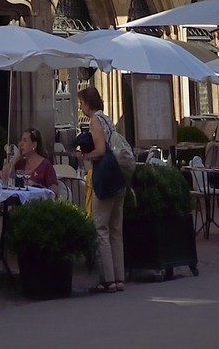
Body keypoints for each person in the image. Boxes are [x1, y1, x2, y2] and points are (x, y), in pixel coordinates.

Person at [74, 83, 128, 293]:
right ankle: (119, 277)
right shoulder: (107, 119)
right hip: (118, 178)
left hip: (105, 178)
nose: (80, 107)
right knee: (115, 230)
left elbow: (100, 150)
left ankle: (108, 279)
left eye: (81, 103)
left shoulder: (95, 120)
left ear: (88, 103)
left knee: (101, 228)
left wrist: (85, 156)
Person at [1, 127, 59, 193]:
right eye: (20, 140)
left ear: (34, 145)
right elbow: (4, 177)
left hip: (36, 199)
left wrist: (38, 187)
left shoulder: (46, 165)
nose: (21, 144)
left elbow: (55, 190)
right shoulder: (19, 163)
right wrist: (14, 160)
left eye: (24, 140)